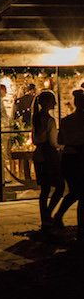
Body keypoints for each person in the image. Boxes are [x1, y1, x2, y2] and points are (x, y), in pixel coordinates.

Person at [52, 89, 84, 239]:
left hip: (69, 158)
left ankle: (59, 215)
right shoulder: (73, 121)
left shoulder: (66, 121)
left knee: (75, 192)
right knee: (79, 193)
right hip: (77, 158)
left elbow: (60, 141)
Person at [31, 90, 64, 228]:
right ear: (47, 103)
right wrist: (61, 145)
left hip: (39, 156)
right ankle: (48, 214)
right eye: (53, 100)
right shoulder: (50, 120)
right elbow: (53, 142)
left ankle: (45, 218)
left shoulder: (36, 118)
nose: (55, 103)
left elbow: (35, 140)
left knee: (44, 189)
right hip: (49, 156)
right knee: (60, 187)